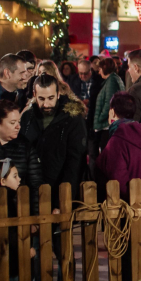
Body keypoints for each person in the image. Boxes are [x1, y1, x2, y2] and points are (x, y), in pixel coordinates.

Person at [22, 74, 86, 211]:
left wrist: (61, 202)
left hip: (59, 187)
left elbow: (74, 163)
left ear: (58, 94)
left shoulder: (72, 118)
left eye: (50, 98)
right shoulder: (28, 116)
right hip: (32, 192)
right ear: (34, 94)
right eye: (41, 98)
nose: (46, 104)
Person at [96, 92, 141, 207]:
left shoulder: (116, 141)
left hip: (126, 215)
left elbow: (118, 180)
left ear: (112, 112)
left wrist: (140, 202)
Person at [91, 57, 124, 157]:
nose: (99, 71)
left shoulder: (111, 82)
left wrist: (100, 118)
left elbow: (109, 103)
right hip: (107, 123)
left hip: (106, 125)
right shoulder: (112, 80)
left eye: (100, 69)